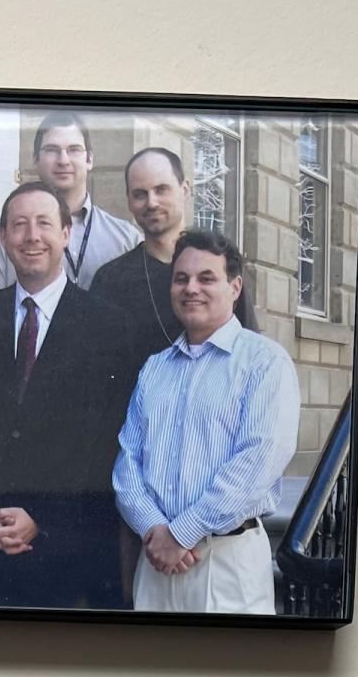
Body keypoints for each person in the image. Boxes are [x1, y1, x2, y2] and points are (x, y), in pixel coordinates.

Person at [0, 183, 128, 610]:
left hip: (71, 552)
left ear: (66, 234)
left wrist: (42, 518)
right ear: (2, 238)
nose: (31, 236)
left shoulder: (109, 328)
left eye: (44, 223)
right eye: (19, 225)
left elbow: (105, 443)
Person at [113, 228, 301, 616]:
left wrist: (182, 533)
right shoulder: (155, 369)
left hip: (227, 561)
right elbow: (127, 460)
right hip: (157, 560)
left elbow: (259, 459)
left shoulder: (264, 362)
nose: (190, 288)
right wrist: (154, 529)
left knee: (229, 675)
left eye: (206, 278)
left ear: (234, 287)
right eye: (181, 278)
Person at [90, 148, 259, 384]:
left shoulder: (219, 268)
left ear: (185, 189)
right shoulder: (110, 280)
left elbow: (249, 351)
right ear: (128, 200)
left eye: (161, 190)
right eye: (140, 194)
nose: (152, 202)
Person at [0, 111, 139, 296]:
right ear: (35, 160)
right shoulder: (2, 236)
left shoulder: (127, 239)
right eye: (52, 150)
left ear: (89, 159)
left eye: (74, 150)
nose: (63, 160)